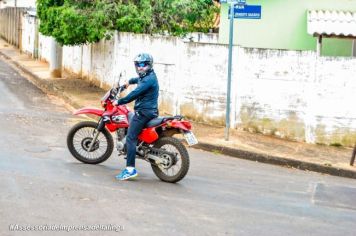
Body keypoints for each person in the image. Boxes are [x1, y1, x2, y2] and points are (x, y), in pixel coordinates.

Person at [113, 53, 159, 180]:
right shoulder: (148, 76)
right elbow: (138, 80)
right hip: (150, 111)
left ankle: (130, 170)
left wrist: (118, 101)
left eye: (143, 64)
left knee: (131, 138)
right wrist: (129, 82)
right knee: (130, 120)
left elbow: (133, 94)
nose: (140, 67)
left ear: (149, 65)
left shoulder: (148, 81)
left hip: (144, 112)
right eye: (138, 64)